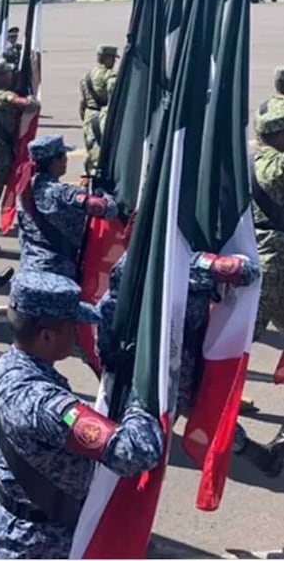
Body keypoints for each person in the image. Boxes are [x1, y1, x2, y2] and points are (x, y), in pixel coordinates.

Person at [0, 271, 165, 558]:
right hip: (45, 543)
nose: (77, 332)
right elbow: (135, 453)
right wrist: (138, 402)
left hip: (4, 526)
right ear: (46, 335)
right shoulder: (48, 404)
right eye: (72, 326)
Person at [96, 251, 280, 475]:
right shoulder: (178, 258)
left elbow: (107, 309)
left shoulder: (138, 256)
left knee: (197, 410)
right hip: (165, 361)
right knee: (188, 411)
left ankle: (256, 453)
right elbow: (246, 272)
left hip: (157, 358)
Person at [16, 135, 118, 279]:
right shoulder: (60, 193)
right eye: (63, 156)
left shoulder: (25, 188)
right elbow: (107, 210)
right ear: (55, 161)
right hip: (57, 275)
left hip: (29, 270)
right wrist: (103, 192)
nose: (66, 160)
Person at [251, 91, 284, 452]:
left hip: (258, 265)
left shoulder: (252, 160)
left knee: (236, 343)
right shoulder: (277, 167)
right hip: (276, 267)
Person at [0, 60, 40, 256]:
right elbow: (16, 101)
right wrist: (30, 102)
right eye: (8, 73)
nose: (11, 76)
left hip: (2, 151)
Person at [79, 44, 120, 179]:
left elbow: (82, 103)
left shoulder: (87, 76)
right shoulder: (110, 75)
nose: (114, 62)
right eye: (112, 58)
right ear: (106, 58)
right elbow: (113, 98)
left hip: (88, 116)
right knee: (101, 154)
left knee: (91, 150)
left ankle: (89, 176)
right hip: (102, 116)